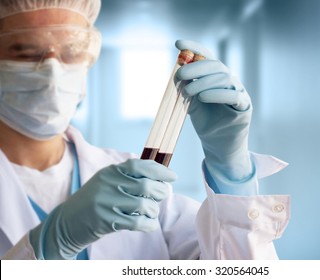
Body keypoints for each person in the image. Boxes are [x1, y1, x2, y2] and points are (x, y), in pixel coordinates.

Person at [0, 0, 290, 260]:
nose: (53, 71)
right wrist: (45, 247)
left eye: (71, 52)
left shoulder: (140, 186)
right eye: (25, 53)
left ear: (88, 57)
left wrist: (231, 172)